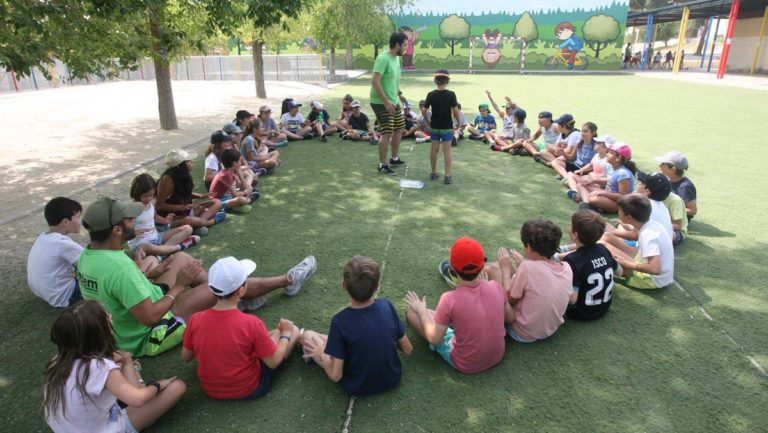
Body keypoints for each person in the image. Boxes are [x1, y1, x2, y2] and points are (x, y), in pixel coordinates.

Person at [77, 196, 317, 356]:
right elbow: (149, 318)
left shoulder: (88, 256)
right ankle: (287, 281)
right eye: (130, 219)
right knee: (217, 286)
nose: (135, 221)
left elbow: (116, 294)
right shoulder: (119, 268)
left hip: (130, 320)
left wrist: (151, 275)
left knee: (182, 259)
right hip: (148, 337)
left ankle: (238, 298)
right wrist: (179, 286)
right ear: (117, 230)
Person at [42, 300, 186, 433]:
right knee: (177, 387)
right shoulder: (99, 366)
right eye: (107, 316)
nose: (111, 316)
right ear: (99, 331)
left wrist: (126, 362)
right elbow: (138, 398)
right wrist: (156, 386)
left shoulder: (58, 361)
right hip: (104, 428)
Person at [181, 257, 301, 400]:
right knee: (292, 331)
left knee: (271, 335)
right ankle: (288, 334)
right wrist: (286, 333)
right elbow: (273, 362)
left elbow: (186, 357)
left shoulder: (196, 320)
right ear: (242, 290)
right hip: (250, 387)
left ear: (211, 288)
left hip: (211, 390)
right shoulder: (251, 323)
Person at [299, 256, 413, 396]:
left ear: (343, 285)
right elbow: (408, 349)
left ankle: (318, 348)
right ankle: (333, 346)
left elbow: (336, 376)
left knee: (306, 336)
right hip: (392, 378)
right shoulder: (387, 306)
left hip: (357, 385)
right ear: (377, 286)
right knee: (347, 340)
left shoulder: (340, 322)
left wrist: (322, 353)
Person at [405, 237, 515, 374]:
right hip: (498, 355)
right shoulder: (495, 287)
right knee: (441, 317)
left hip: (466, 363)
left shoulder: (449, 299)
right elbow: (510, 318)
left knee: (412, 312)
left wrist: (421, 310)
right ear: (482, 266)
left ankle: (430, 316)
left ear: (452, 267)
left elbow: (434, 338)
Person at [505, 219, 572, 342]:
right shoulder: (567, 268)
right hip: (550, 330)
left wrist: (504, 271)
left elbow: (509, 299)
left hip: (521, 333)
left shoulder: (527, 267)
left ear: (528, 247)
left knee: (497, 274)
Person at [602, 194, 675, 289]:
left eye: (619, 210)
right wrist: (613, 232)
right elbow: (635, 235)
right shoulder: (651, 224)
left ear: (629, 218)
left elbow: (655, 269)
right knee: (607, 237)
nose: (618, 212)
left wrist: (627, 263)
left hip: (651, 280)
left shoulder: (648, 235)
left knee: (602, 245)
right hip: (647, 264)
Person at [563, 210, 620, 321]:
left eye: (570, 224)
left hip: (581, 312)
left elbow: (572, 300)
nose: (568, 226)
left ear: (575, 235)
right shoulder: (603, 249)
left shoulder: (572, 260)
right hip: (605, 306)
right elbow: (619, 271)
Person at [27, 197, 84, 307]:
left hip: (42, 292)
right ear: (65, 222)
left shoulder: (43, 237)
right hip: (63, 296)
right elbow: (92, 261)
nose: (80, 222)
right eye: (78, 217)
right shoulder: (62, 244)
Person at [156, 148, 226, 236]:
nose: (192, 162)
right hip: (171, 219)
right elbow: (159, 205)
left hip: (187, 212)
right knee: (189, 220)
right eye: (189, 161)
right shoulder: (167, 180)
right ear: (180, 165)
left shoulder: (184, 175)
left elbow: (182, 194)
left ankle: (197, 224)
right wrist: (181, 207)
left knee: (217, 202)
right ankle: (210, 222)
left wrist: (200, 196)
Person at [128, 173, 199, 259]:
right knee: (145, 249)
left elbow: (155, 217)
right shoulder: (133, 208)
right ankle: (177, 247)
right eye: (145, 196)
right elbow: (125, 229)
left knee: (188, 228)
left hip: (156, 238)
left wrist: (165, 220)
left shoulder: (150, 205)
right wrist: (135, 232)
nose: (148, 199)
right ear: (137, 193)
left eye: (151, 196)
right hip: (141, 243)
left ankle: (162, 252)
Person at [370, 31, 408, 175]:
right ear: (397, 45)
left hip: (393, 100)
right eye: (404, 45)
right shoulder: (383, 58)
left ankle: (394, 158)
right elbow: (374, 81)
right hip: (380, 102)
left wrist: (400, 95)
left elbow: (392, 81)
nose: (406, 48)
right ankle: (382, 164)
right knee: (386, 132)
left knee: (399, 127)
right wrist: (386, 103)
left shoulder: (396, 58)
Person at [423, 69, 460, 184]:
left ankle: (433, 173)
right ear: (447, 81)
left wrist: (428, 121)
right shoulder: (451, 94)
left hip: (434, 126)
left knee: (434, 150)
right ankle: (447, 176)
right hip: (447, 127)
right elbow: (455, 111)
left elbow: (424, 110)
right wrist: (458, 121)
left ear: (435, 80)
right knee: (447, 152)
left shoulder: (431, 94)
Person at [581, 142, 636, 213]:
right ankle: (587, 204)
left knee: (593, 198)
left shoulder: (623, 173)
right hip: (607, 195)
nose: (607, 154)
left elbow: (623, 196)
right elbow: (611, 180)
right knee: (582, 184)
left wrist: (603, 193)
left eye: (610, 152)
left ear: (618, 158)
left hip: (618, 204)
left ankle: (587, 202)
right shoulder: (611, 166)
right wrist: (593, 181)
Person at [566, 134, 616, 203]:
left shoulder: (609, 161)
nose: (595, 143)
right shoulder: (596, 155)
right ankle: (576, 192)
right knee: (570, 175)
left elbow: (610, 180)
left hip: (600, 186)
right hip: (593, 181)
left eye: (598, 143)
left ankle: (583, 198)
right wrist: (581, 170)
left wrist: (594, 180)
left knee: (583, 182)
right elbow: (591, 165)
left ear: (606, 147)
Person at [209, 149, 258, 213]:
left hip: (226, 196)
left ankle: (242, 202)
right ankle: (249, 199)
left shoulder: (230, 172)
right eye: (240, 161)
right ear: (234, 163)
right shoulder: (226, 175)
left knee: (249, 188)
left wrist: (239, 173)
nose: (241, 163)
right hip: (217, 202)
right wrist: (245, 192)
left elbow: (243, 186)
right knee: (241, 199)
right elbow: (235, 195)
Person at [656, 151, 697, 220]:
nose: (660, 165)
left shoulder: (685, 187)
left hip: (677, 220)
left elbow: (692, 211)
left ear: (673, 169)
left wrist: (670, 209)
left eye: (663, 164)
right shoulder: (668, 178)